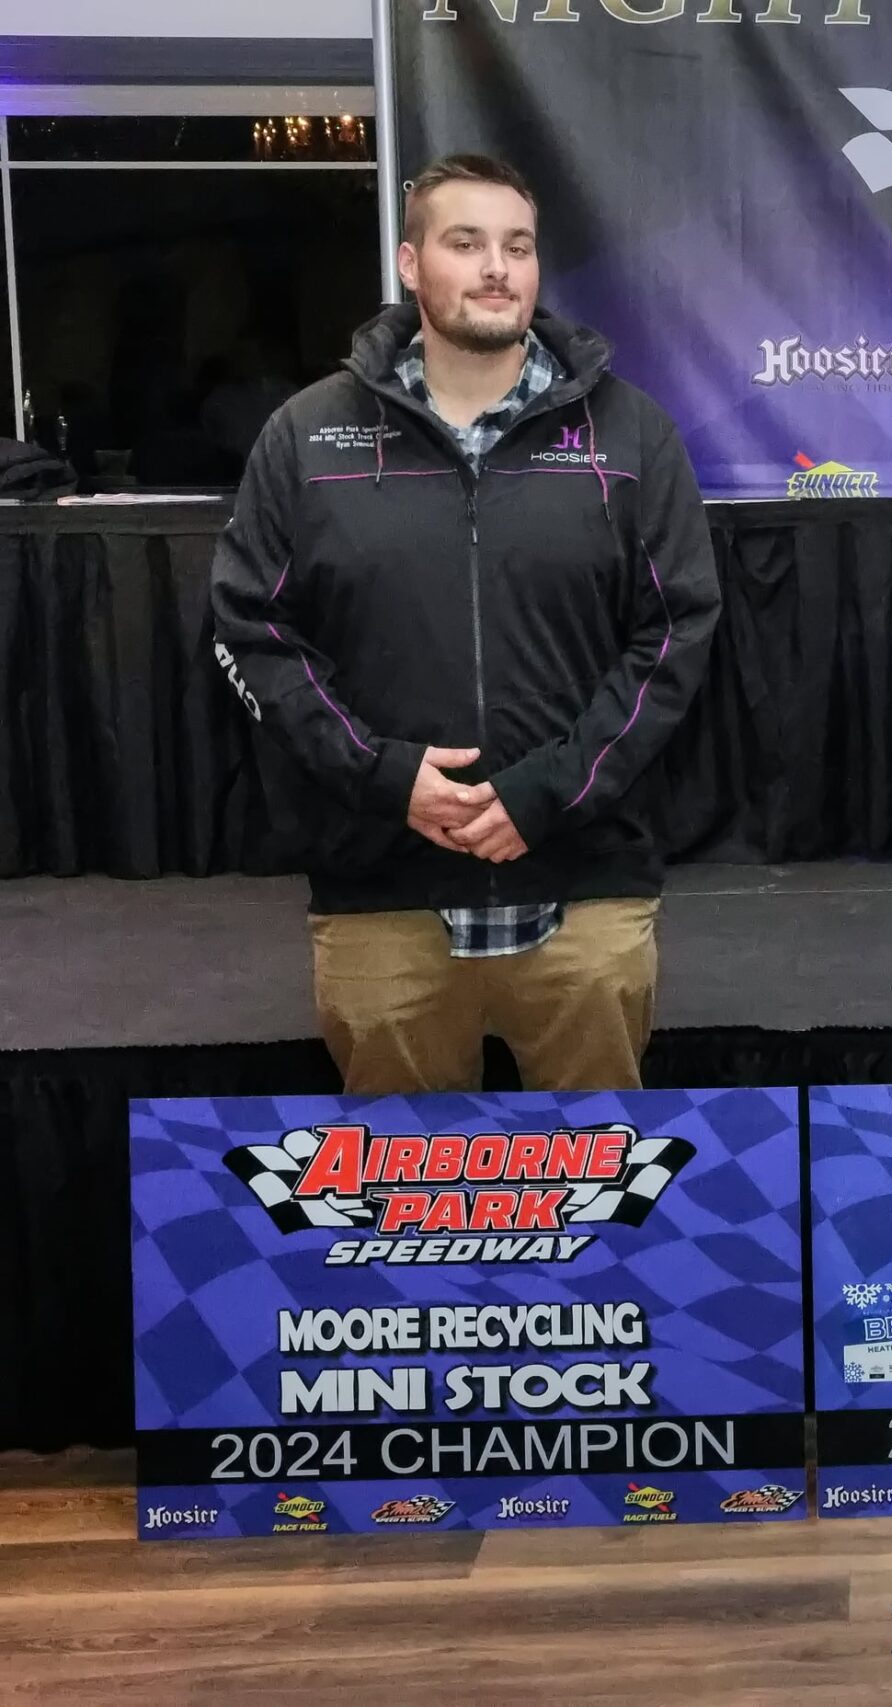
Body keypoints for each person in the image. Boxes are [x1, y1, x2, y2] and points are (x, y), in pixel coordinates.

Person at [208, 153, 721, 1092]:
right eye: (466, 242)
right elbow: (252, 631)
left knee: (603, 1205)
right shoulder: (305, 437)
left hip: (584, 896)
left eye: (517, 247)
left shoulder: (632, 436)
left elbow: (677, 633)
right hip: (382, 899)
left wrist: (545, 794)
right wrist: (384, 777)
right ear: (411, 265)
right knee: (409, 1218)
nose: (497, 267)